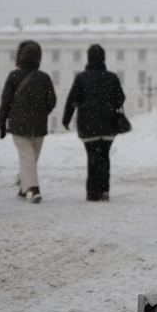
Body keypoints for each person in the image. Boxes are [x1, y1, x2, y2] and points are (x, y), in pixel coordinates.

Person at [62, 44, 126, 201]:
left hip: (88, 125)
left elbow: (72, 99)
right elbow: (121, 98)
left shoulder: (81, 78)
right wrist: (109, 106)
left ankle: (92, 192)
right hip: (109, 125)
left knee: (93, 157)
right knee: (104, 156)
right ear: (103, 58)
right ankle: (104, 190)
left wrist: (66, 119)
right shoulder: (112, 77)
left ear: (88, 58)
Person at [0, 40, 57, 202]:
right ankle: (34, 190)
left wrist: (2, 123)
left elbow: (5, 102)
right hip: (38, 126)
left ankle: (25, 189)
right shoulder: (44, 78)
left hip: (18, 125)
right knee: (30, 158)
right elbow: (52, 102)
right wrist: (41, 113)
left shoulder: (14, 76)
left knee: (28, 158)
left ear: (20, 56)